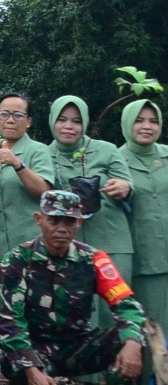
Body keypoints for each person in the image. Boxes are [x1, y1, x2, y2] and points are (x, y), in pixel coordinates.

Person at [0, 190, 146, 385]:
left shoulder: (94, 259)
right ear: (39, 219)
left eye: (70, 221)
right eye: (53, 220)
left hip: (78, 345)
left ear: (80, 223)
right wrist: (31, 369)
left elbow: (126, 304)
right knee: (15, 364)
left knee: (129, 339)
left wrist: (133, 341)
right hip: (38, 347)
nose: (61, 229)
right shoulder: (17, 260)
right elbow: (9, 321)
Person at [47, 95, 134, 282]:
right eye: (62, 120)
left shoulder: (107, 150)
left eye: (76, 121)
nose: (69, 126)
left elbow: (128, 185)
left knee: (115, 305)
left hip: (112, 243)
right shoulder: (43, 155)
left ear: (85, 123)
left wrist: (124, 188)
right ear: (52, 120)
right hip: (66, 247)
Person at [0, 92, 55, 263]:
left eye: (18, 115)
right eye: (4, 114)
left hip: (36, 251)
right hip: (2, 255)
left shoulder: (39, 151)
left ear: (29, 121)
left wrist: (18, 165)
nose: (10, 120)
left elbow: (44, 192)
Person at [119, 100, 168, 338]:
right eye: (139, 120)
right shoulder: (115, 160)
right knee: (151, 327)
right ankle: (153, 377)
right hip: (145, 258)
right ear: (127, 123)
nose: (146, 126)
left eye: (153, 120)